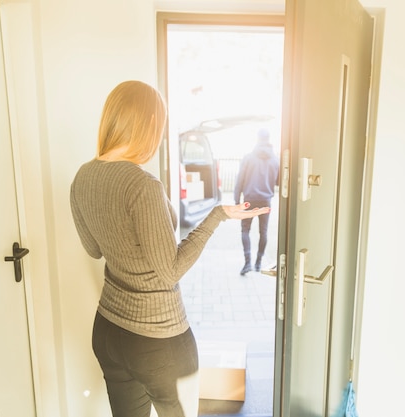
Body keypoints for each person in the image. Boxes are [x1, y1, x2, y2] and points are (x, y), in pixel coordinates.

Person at [69, 80, 270, 417]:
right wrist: (217, 215)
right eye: (159, 127)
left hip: (108, 331)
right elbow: (170, 271)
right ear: (148, 124)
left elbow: (94, 249)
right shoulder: (142, 185)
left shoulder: (83, 176)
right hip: (157, 342)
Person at [233, 128, 280, 275]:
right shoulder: (275, 160)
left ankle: (247, 263)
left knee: (245, 230)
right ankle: (258, 263)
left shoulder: (248, 158)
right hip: (265, 201)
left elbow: (240, 179)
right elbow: (278, 182)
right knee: (263, 232)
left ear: (258, 139)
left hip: (249, 200)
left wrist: (236, 200)